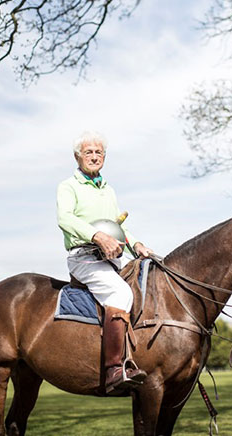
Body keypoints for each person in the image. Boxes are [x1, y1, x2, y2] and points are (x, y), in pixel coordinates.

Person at [57, 131, 155, 395]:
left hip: (112, 259)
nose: (94, 156)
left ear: (104, 158)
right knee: (120, 293)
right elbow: (64, 218)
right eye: (88, 152)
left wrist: (136, 245)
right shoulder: (68, 187)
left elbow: (116, 227)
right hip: (84, 257)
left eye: (99, 152)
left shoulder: (108, 190)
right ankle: (114, 369)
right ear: (77, 156)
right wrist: (96, 235)